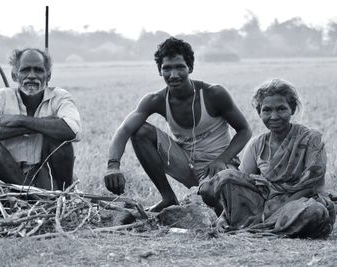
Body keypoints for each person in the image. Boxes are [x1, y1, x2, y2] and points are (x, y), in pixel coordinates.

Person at [103, 37, 252, 212]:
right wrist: (113, 166)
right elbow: (124, 130)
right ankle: (168, 198)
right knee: (140, 131)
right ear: (160, 70)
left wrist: (222, 160)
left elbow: (245, 130)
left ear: (190, 67)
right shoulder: (156, 99)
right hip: (186, 163)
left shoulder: (214, 94)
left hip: (218, 166)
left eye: (180, 67)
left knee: (214, 200)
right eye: (167, 68)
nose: (173, 75)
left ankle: (220, 208)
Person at [205, 78, 335, 238]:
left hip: (300, 202)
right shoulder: (257, 145)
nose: (274, 116)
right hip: (265, 204)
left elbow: (310, 186)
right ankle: (256, 226)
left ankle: (255, 229)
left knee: (315, 212)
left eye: (281, 109)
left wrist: (273, 211)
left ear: (292, 109)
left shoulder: (311, 139)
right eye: (267, 110)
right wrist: (224, 215)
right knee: (226, 176)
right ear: (259, 112)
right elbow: (242, 184)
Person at [0, 48, 81, 190]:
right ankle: (31, 194)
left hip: (47, 173)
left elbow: (72, 131)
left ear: (48, 76)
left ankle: (62, 193)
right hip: (10, 177)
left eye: (38, 70)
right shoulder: (0, 98)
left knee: (61, 143)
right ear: (14, 75)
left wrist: (21, 120)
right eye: (25, 70)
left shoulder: (60, 97)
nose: (32, 75)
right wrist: (32, 128)